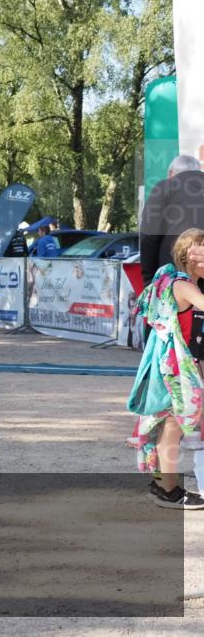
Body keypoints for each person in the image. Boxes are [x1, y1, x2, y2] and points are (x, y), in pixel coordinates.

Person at [129, 229, 204, 509]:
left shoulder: (176, 281)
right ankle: (167, 490)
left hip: (171, 367)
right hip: (175, 371)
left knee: (168, 427)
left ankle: (162, 484)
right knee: (171, 428)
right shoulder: (183, 285)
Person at [140, 154, 204, 287]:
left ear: (170, 173)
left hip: (174, 280)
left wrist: (149, 280)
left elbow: (149, 237)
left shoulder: (164, 187)